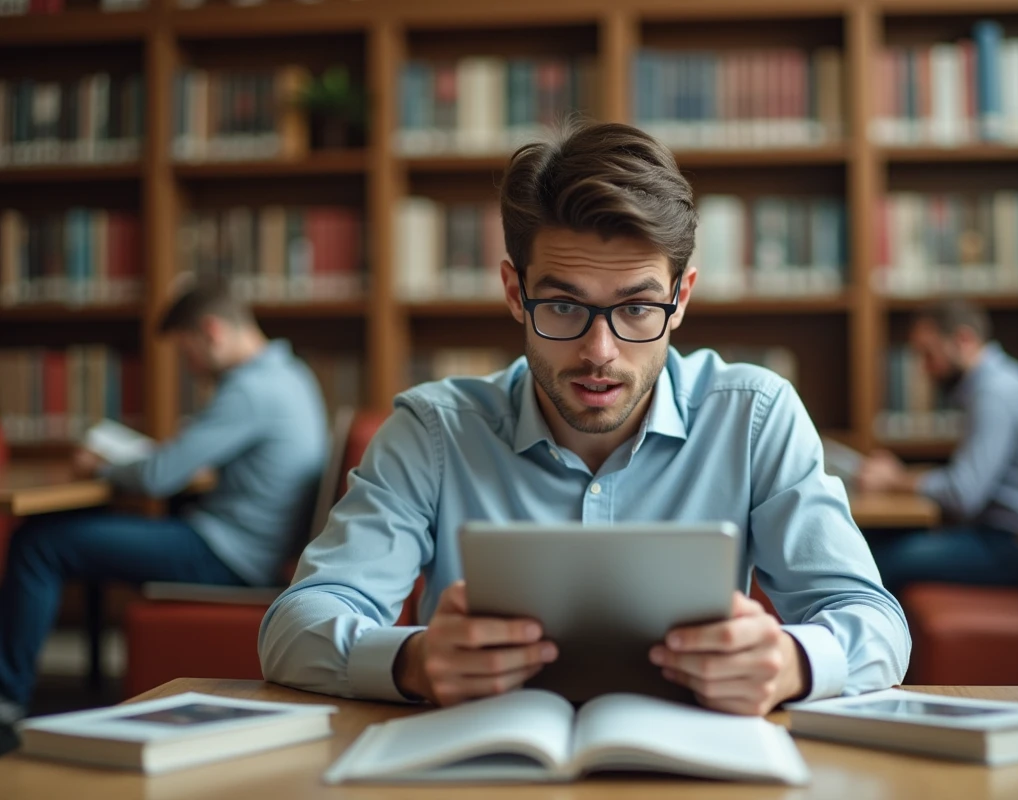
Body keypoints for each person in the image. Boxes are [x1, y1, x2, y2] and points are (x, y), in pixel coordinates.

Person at [259, 121, 909, 717]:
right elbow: (293, 627)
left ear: (681, 298)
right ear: (516, 293)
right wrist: (412, 660)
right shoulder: (432, 431)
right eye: (564, 308)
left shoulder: (756, 418)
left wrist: (792, 663)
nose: (600, 353)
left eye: (635, 309)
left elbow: (873, 622)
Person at [0, 281, 329, 750]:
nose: (189, 367)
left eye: (186, 351)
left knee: (39, 542)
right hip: (249, 544)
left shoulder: (251, 390)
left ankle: (6, 701)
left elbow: (158, 477)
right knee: (61, 537)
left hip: (228, 556)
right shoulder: (292, 375)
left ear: (211, 332)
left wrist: (104, 465)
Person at [856, 299, 1018, 593]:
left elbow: (962, 493)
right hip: (1007, 539)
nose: (925, 369)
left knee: (875, 562)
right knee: (869, 542)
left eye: (929, 354)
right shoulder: (995, 385)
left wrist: (895, 479)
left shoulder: (995, 394)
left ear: (964, 339)